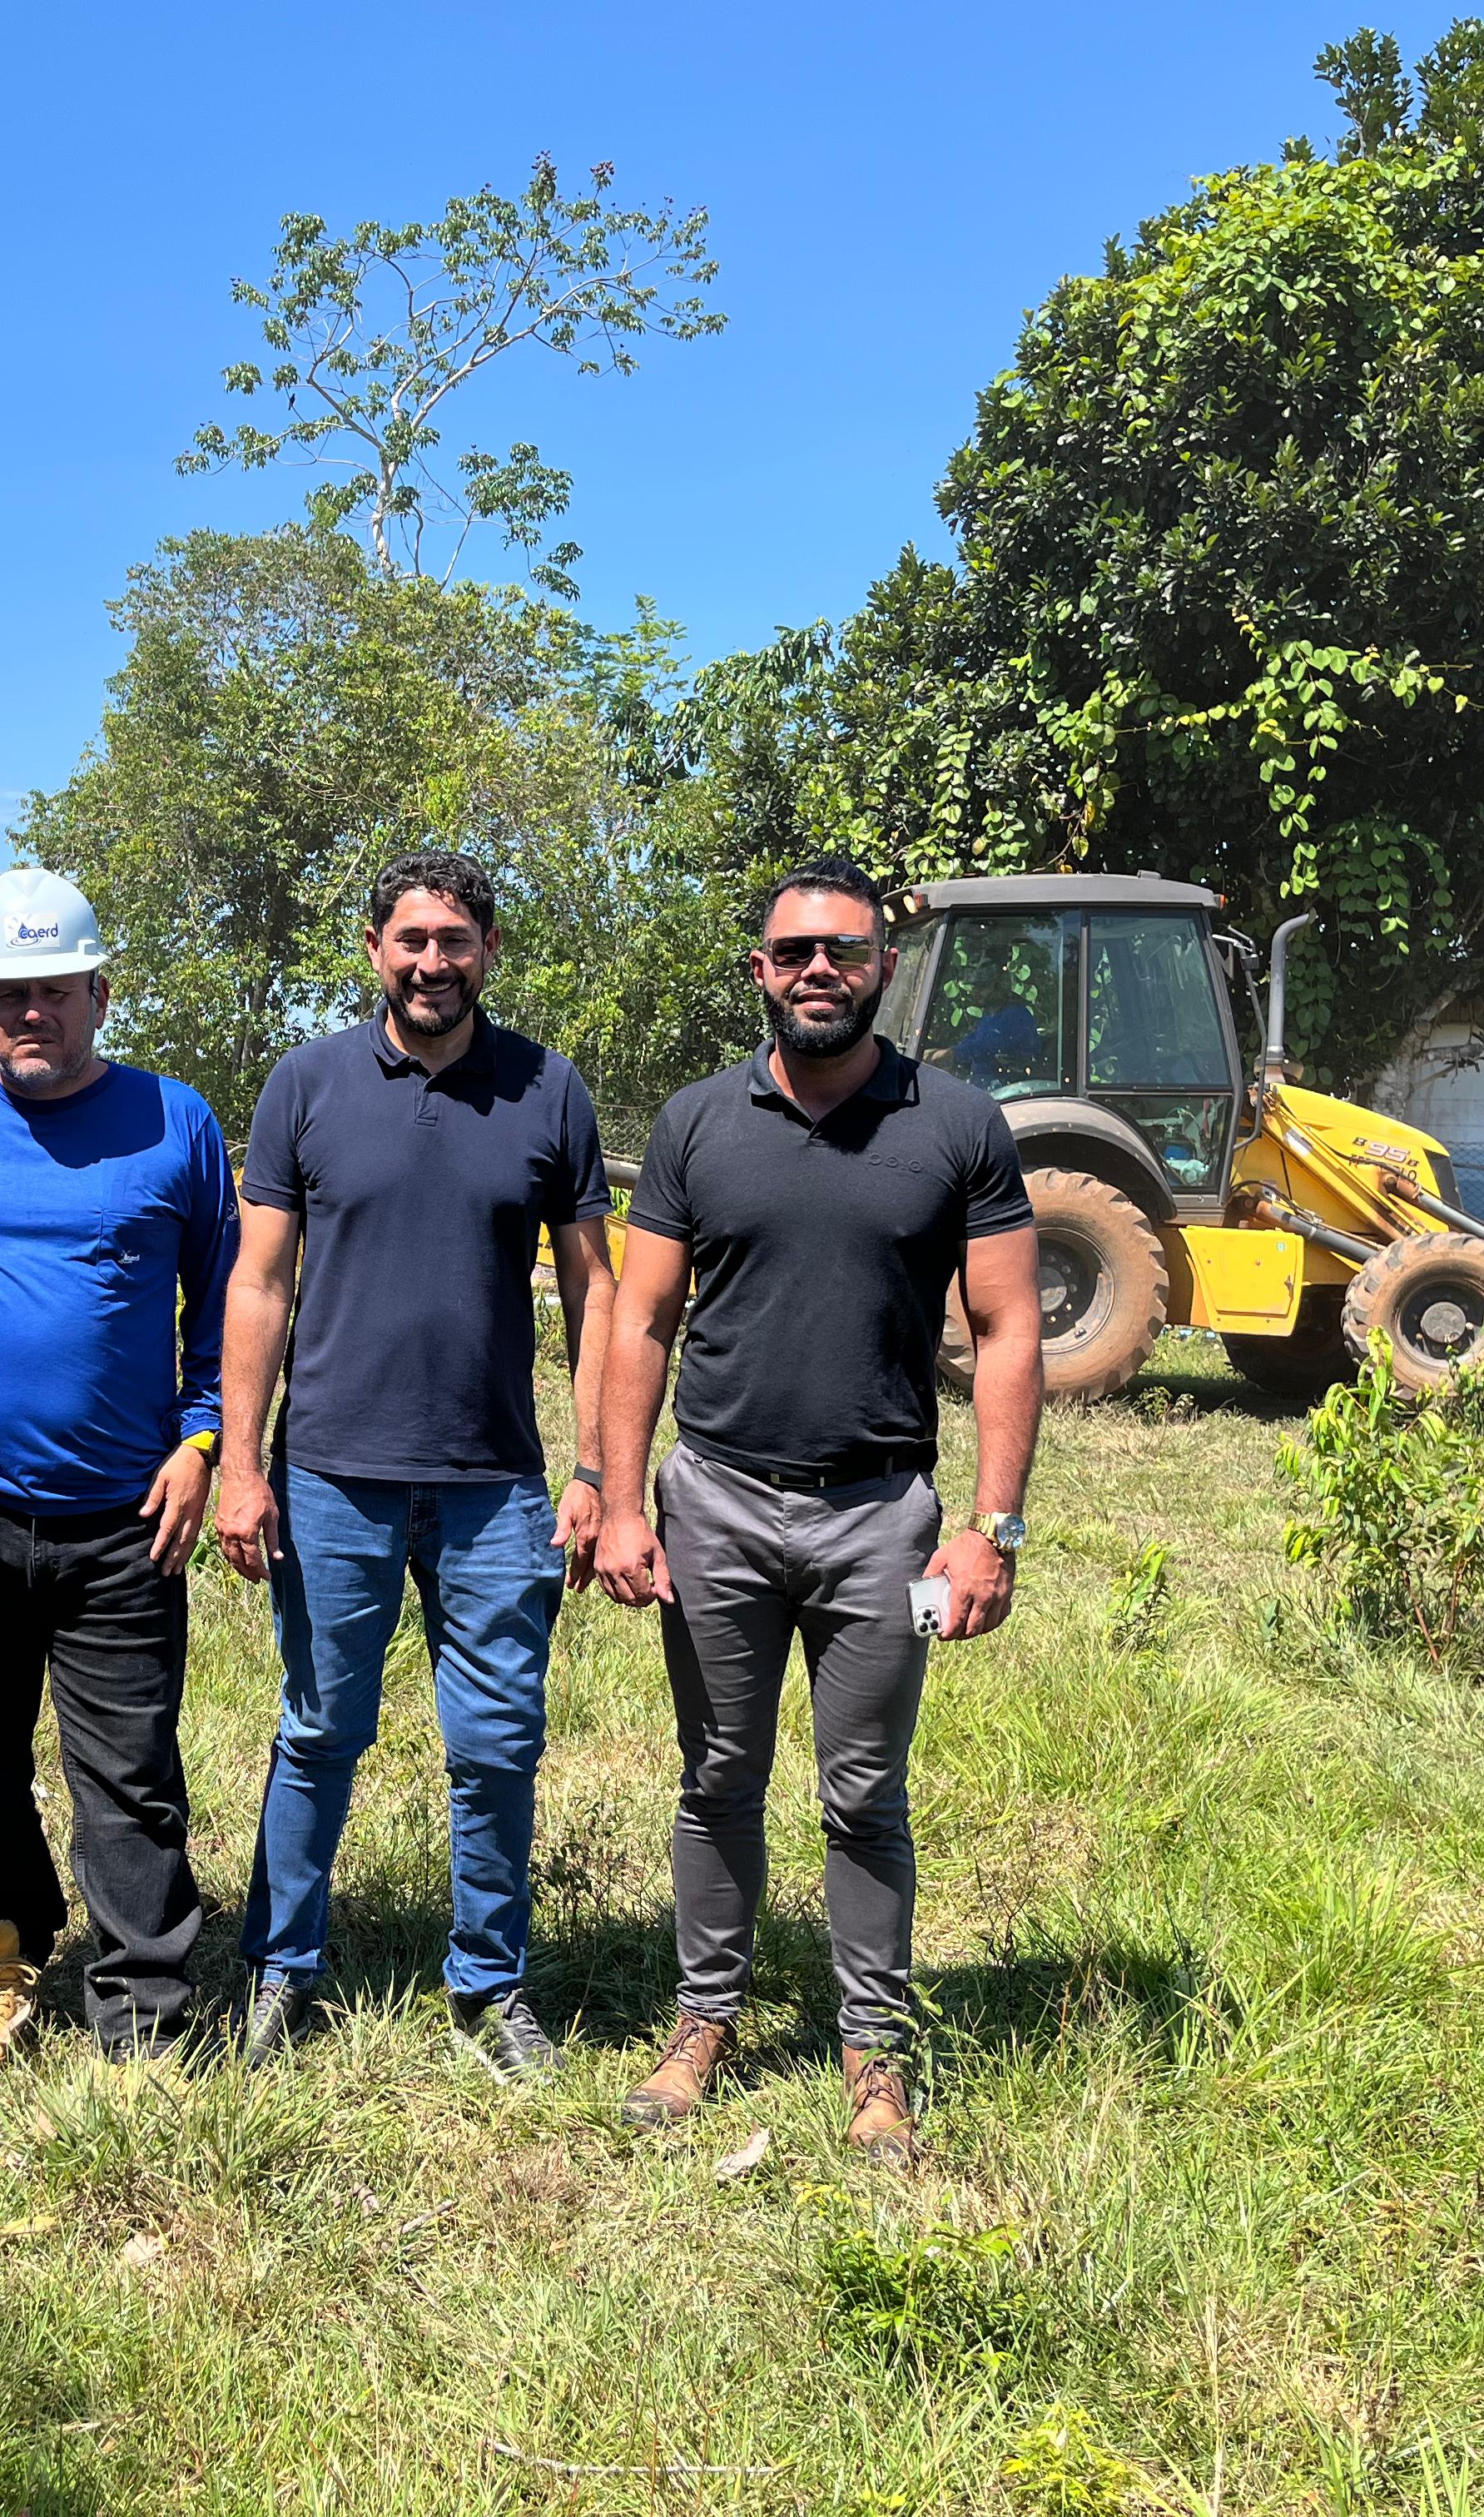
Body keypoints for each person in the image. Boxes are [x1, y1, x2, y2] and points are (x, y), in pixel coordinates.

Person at [594, 860, 1044, 2156]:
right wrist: (622, 1504)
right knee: (717, 1779)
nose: (817, 972)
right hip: (715, 1506)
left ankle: (874, 2056)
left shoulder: (957, 1125)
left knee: (865, 1796)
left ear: (882, 967)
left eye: (843, 951)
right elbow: (640, 1320)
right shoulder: (696, 1123)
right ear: (760, 970)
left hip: (881, 1518)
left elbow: (1009, 1329)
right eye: (794, 952)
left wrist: (992, 1528)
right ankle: (703, 2023)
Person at [215, 849, 615, 2082]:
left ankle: (490, 1986)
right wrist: (241, 1463)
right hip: (331, 1470)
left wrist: (598, 1468)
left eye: (455, 939)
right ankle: (282, 1970)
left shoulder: (548, 1089)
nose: (432, 961)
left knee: (497, 1741)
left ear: (487, 950)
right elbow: (258, 1282)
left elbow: (596, 1293)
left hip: (495, 1479)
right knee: (319, 1728)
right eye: (411, 939)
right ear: (375, 949)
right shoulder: (308, 1083)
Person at [0, 867, 237, 2078]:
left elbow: (228, 1304)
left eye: (52, 990)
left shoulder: (174, 1120)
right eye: (6, 994)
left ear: (99, 991)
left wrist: (204, 1441)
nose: (29, 1013)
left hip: (127, 1517)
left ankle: (145, 2011)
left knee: (129, 1773)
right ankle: (1, 1969)